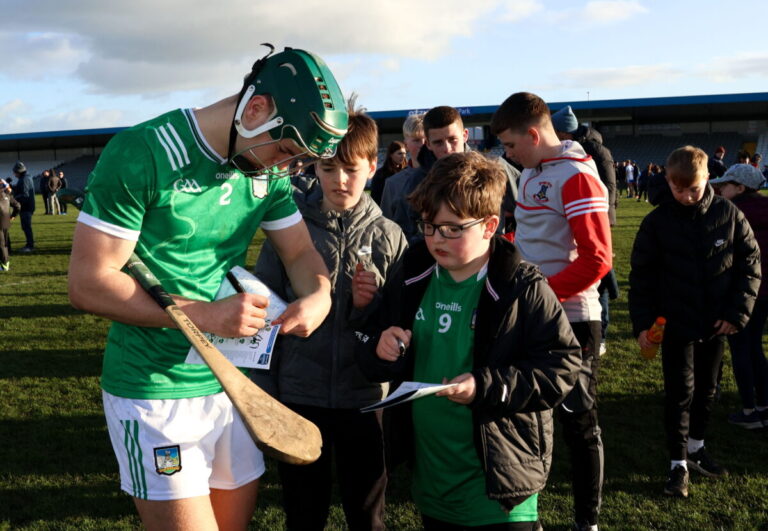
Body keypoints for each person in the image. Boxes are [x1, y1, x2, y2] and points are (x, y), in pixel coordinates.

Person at [67, 46, 349, 530]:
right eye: (285, 153)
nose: (285, 169)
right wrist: (204, 314)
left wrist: (318, 293)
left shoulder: (267, 171)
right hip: (152, 392)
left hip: (230, 386)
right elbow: (89, 283)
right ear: (255, 110)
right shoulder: (143, 153)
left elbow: (301, 254)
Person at [355, 151, 582, 530]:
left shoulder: (521, 286)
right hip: (432, 485)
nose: (435, 238)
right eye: (427, 225)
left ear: (490, 225)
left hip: (499, 490)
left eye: (451, 228)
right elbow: (371, 343)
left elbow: (562, 366)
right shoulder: (413, 272)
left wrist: (485, 385)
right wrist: (380, 348)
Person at [255, 99, 407, 531]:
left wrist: (370, 308)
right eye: (327, 169)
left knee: (367, 512)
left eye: (351, 169)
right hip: (300, 395)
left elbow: (401, 328)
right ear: (313, 169)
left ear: (373, 166)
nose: (339, 180)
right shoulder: (289, 234)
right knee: (304, 513)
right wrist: (266, 391)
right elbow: (263, 311)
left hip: (365, 399)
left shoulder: (391, 238)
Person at [491, 92, 611, 531]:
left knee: (578, 423)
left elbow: (598, 260)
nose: (507, 154)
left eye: (509, 145)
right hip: (533, 313)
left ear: (535, 134)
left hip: (575, 318)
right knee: (524, 418)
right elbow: (529, 242)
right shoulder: (530, 173)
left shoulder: (577, 175)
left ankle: (587, 523)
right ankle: (527, 516)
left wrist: (539, 293)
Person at [629, 146, 760, 498]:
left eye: (694, 190)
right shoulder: (656, 222)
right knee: (679, 393)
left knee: (708, 390)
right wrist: (643, 324)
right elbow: (641, 276)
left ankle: (697, 447)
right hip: (674, 326)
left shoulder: (729, 214)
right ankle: (678, 464)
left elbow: (751, 265)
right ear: (668, 183)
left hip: (716, 325)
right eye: (678, 190)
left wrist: (737, 313)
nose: (686, 197)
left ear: (708, 182)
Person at [381, 106, 519, 243]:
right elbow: (405, 232)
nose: (447, 148)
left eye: (452, 139)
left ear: (465, 135)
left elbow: (530, 209)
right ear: (428, 144)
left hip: (488, 259)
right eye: (438, 142)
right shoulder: (417, 181)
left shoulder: (493, 168)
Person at [709, 164, 768, 429]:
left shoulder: (733, 213)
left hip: (743, 291)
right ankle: (764, 405)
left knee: (741, 348)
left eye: (727, 185)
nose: (721, 189)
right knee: (754, 347)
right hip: (764, 291)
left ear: (741, 188)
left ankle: (749, 410)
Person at [370, 140, 407, 205]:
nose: (403, 156)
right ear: (391, 155)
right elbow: (375, 197)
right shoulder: (381, 174)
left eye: (404, 153)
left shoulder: (407, 172)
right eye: (400, 153)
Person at [11, 161, 35, 252]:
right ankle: (29, 244)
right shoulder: (25, 177)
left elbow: (24, 195)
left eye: (15, 172)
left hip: (26, 207)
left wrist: (13, 199)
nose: (14, 174)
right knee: (26, 226)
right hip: (28, 206)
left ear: (19, 171)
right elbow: (21, 189)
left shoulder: (24, 179)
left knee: (26, 227)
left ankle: (30, 246)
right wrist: (12, 187)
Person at [0, 178, 20, 271]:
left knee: (1, 244)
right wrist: (13, 216)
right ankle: (5, 262)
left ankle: (4, 265)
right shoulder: (7, 195)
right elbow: (17, 206)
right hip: (6, 222)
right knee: (5, 243)